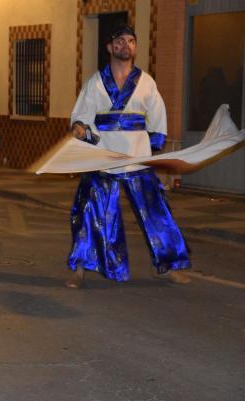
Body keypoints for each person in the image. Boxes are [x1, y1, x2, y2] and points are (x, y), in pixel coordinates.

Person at [65, 24, 191, 289]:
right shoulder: (95, 82)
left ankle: (168, 266)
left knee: (156, 212)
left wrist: (153, 146)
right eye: (119, 41)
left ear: (135, 46)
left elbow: (157, 120)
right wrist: (80, 129)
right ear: (110, 48)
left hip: (136, 156)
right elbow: (82, 117)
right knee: (89, 211)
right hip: (103, 156)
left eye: (130, 41)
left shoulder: (146, 82)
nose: (125, 45)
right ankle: (80, 268)